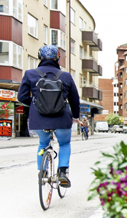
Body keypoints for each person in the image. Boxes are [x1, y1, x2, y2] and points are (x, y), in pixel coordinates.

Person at [17, 45, 81, 188]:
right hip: (61, 118)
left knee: (43, 144)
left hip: (39, 119)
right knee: (64, 144)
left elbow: (21, 97)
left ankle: (43, 173)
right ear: (57, 58)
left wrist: (35, 104)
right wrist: (76, 116)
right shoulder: (65, 76)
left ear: (40, 57)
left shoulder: (30, 74)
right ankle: (63, 172)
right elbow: (74, 99)